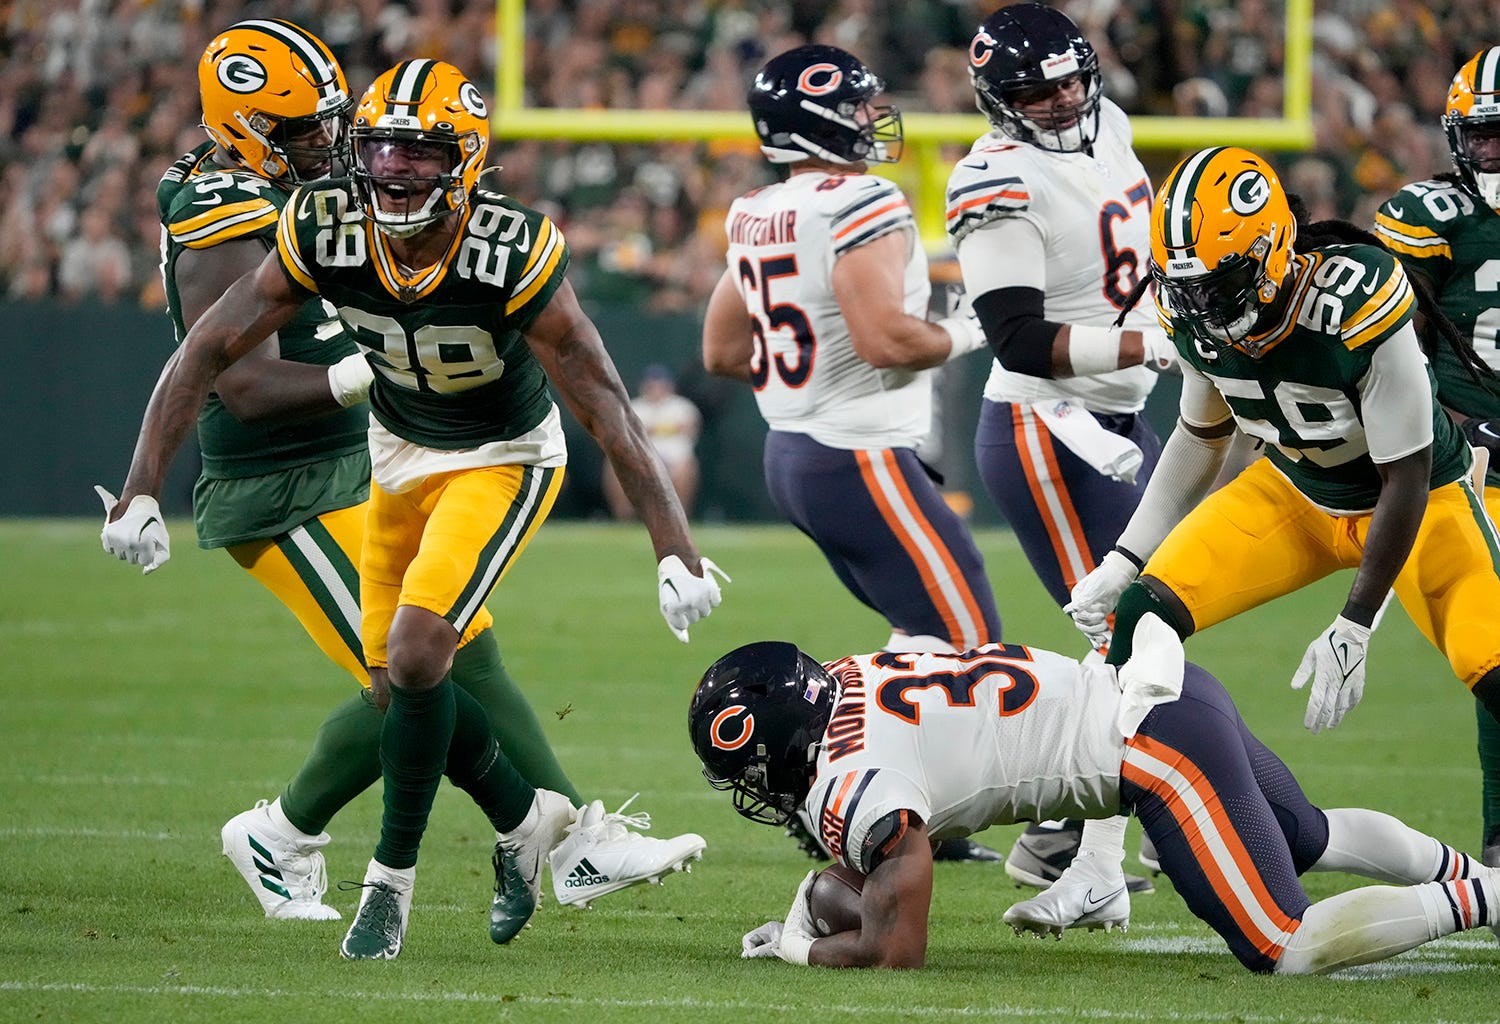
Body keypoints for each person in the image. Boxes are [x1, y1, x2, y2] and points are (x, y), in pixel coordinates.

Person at [98, 56, 726, 960]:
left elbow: (603, 397)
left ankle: (565, 839)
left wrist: (673, 544)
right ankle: (291, 830)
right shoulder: (254, 209)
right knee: (412, 666)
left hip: (419, 450)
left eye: (336, 126)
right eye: (318, 132)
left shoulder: (471, 235)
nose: (358, 157)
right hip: (284, 477)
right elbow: (224, 368)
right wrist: (142, 487)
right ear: (245, 128)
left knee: (446, 653)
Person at [1062, 146, 1500, 906]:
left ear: (1271, 250)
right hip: (1295, 494)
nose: (1203, 305)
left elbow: (1403, 473)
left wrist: (1356, 622)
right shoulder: (1192, 308)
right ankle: (1097, 870)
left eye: (1220, 282)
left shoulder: (1357, 298)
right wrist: (1126, 558)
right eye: (1188, 286)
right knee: (1141, 619)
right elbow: (1199, 439)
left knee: (1492, 662)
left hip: (1421, 501)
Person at [688, 617, 1500, 973]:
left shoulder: (851, 780)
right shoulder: (849, 675)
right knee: (1305, 837)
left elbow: (896, 953)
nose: (756, 790)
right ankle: (1466, 871)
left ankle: (1487, 894)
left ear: (783, 746)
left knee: (1283, 947)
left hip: (1154, 749)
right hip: (1171, 691)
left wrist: (798, 943)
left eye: (751, 771)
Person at [700, 43, 1002, 864]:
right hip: (857, 456)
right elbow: (885, 341)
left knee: (919, 635)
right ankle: (880, 806)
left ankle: (887, 798)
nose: (875, 115)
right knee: (977, 646)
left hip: (793, 454)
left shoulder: (755, 210)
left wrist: (810, 376)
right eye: (862, 102)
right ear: (825, 117)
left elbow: (722, 350)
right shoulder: (862, 201)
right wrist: (975, 328)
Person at [946, 3, 1174, 899]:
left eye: (1073, 81)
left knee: (1154, 621)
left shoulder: (1109, 126)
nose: (1063, 100)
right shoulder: (995, 176)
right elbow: (1017, 340)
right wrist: (1141, 344)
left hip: (1122, 418)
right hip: (1049, 427)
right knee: (1134, 633)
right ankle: (1097, 862)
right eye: (1037, 93)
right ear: (1000, 102)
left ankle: (1051, 830)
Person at [1372, 44, 1500, 864]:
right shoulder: (1431, 216)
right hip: (1479, 465)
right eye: (1485, 135)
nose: (1496, 153)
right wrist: (1459, 425)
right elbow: (1388, 356)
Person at [602, 364, 701, 520]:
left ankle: (680, 517)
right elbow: (625, 434)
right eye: (653, 384)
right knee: (613, 464)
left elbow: (689, 430)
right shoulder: (633, 407)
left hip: (674, 458)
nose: (656, 389)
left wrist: (651, 429)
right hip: (640, 456)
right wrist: (667, 428)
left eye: (660, 384)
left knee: (687, 467)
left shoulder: (682, 407)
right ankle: (624, 518)